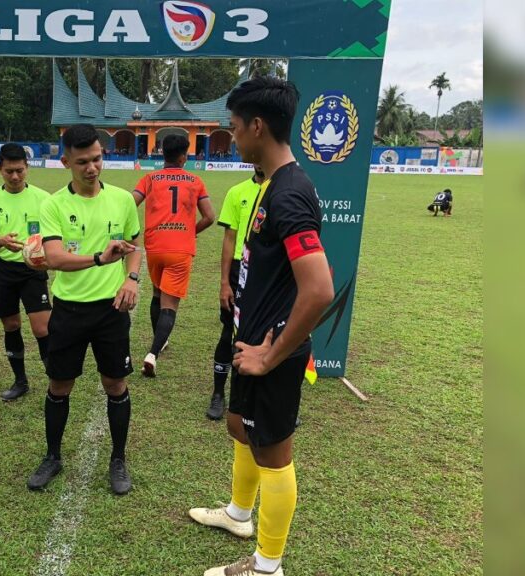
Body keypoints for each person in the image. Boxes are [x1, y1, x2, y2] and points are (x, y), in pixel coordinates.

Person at [191, 77, 334, 576]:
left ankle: (266, 566)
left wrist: (272, 355)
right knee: (239, 427)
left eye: (233, 127)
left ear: (257, 126)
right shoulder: (271, 185)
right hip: (251, 340)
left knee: (273, 453)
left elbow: (319, 289)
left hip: (273, 349)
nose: (230, 137)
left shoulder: (291, 194)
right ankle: (237, 515)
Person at [26, 124, 141, 495]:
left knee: (115, 383)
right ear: (65, 162)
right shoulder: (54, 204)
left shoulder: (123, 200)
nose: (92, 168)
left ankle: (118, 459)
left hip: (110, 311)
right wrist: (98, 258)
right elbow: (55, 257)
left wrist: (131, 279)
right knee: (60, 385)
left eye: (97, 159)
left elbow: (135, 246)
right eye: (82, 162)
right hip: (70, 310)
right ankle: (53, 456)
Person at [131, 133, 215, 377]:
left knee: (157, 293)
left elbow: (129, 203)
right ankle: (153, 353)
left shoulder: (149, 178)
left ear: (162, 153)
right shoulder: (195, 181)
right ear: (183, 156)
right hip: (180, 250)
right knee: (170, 305)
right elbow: (210, 216)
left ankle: (161, 340)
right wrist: (191, 232)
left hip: (155, 248)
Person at [0, 143, 53, 401]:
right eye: (9, 171)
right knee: (11, 325)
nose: (15, 176)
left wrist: (43, 254)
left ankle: (54, 377)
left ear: (27, 167)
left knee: (42, 328)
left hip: (33, 270)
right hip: (3, 270)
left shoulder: (44, 199)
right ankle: (20, 381)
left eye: (20, 170)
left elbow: (54, 237)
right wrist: (0, 241)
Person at [207, 166, 266, 420]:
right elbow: (229, 239)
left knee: (268, 335)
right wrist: (224, 282)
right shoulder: (237, 192)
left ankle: (265, 399)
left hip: (267, 270)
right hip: (238, 268)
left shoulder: (281, 191)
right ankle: (219, 394)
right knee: (228, 332)